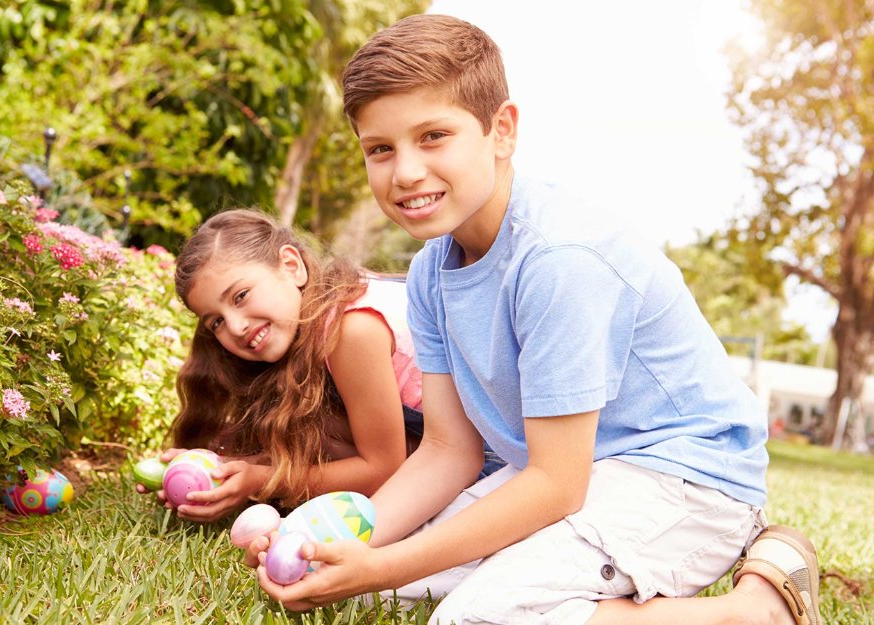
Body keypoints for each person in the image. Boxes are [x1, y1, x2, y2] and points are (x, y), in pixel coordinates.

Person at [249, 14, 823, 625]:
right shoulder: (429, 273)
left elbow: (556, 484)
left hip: (683, 481)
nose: (406, 171)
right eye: (380, 149)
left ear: (502, 130)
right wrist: (351, 553)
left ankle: (756, 610)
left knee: (475, 617)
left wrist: (387, 563)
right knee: (364, 588)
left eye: (434, 136)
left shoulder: (558, 260)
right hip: (572, 474)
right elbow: (448, 450)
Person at [139, 208, 504, 523]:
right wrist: (222, 468)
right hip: (450, 452)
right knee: (297, 424)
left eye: (241, 296)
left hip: (494, 465)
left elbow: (384, 470)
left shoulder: (352, 329)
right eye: (215, 321)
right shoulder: (317, 322)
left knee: (310, 427)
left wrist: (259, 480)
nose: (235, 326)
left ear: (291, 266)